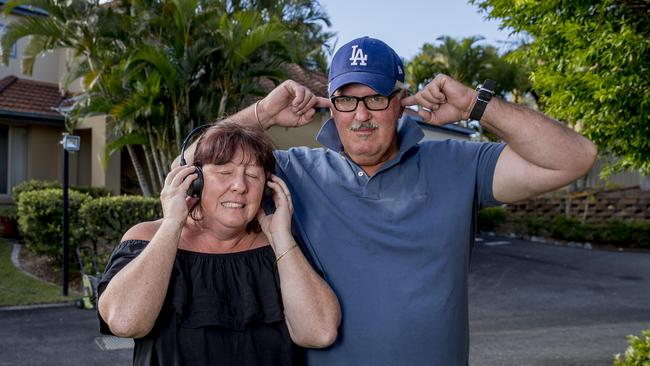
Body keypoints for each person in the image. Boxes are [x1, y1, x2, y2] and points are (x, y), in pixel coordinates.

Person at [178, 37, 598, 365]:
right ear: (332, 106)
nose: (360, 115)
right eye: (346, 99)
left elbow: (575, 158)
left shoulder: (459, 163)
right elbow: (190, 170)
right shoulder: (294, 172)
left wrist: (476, 105)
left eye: (376, 98)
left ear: (400, 102)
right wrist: (262, 114)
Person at [97, 122, 340, 365]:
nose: (240, 186)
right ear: (195, 181)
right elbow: (125, 322)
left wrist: (282, 239)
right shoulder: (148, 237)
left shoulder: (281, 248)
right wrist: (172, 224)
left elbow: (319, 333)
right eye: (225, 173)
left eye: (253, 175)